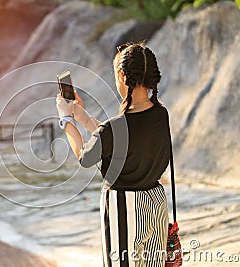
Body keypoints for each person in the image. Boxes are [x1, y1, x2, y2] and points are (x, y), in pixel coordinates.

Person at [56, 42, 171, 267]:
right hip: (156, 203)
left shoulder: (112, 129)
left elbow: (84, 156)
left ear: (121, 75)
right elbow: (119, 139)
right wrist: (81, 115)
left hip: (123, 208)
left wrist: (66, 119)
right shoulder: (160, 114)